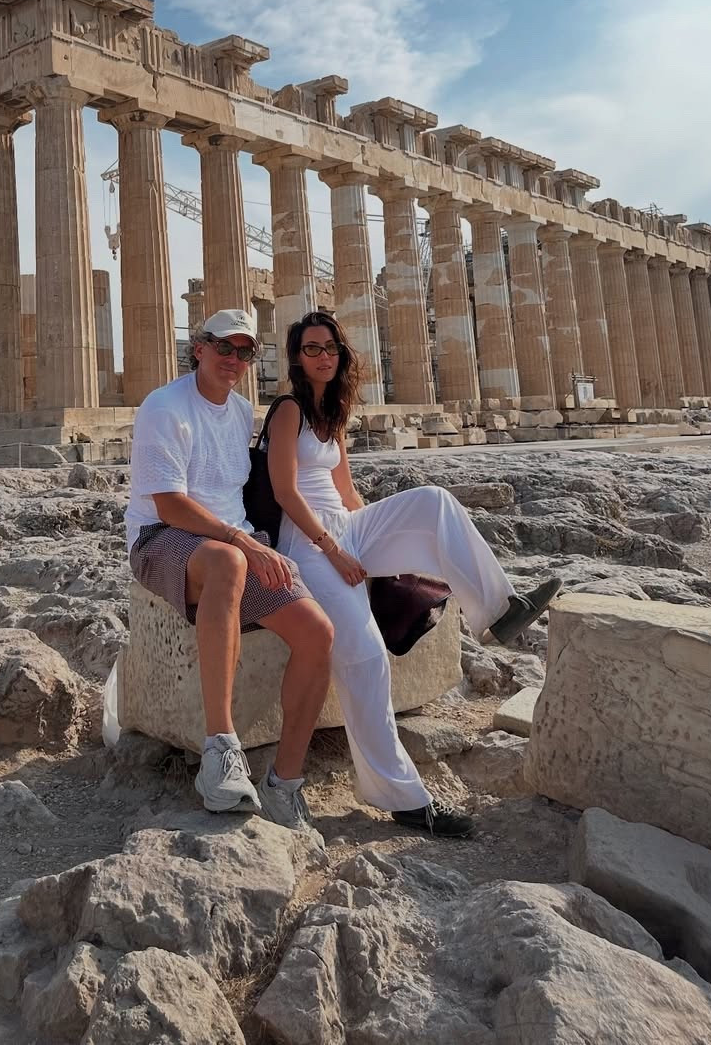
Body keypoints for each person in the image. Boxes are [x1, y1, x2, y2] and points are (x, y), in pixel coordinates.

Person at [267, 309, 562, 838]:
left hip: (345, 525)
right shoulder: (287, 410)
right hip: (308, 542)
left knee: (433, 502)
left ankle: (499, 611)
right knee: (365, 655)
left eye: (330, 346)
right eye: (311, 348)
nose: (324, 355)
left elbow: (347, 491)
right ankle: (402, 798)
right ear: (296, 357)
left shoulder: (331, 413)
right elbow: (287, 492)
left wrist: (380, 548)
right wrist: (336, 551)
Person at [126, 308, 334, 832]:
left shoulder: (243, 411)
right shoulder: (164, 406)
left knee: (317, 632)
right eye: (225, 348)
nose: (235, 360)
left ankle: (284, 783)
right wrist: (244, 542)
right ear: (199, 348)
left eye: (246, 352)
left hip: (235, 543)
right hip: (161, 539)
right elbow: (170, 505)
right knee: (228, 560)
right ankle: (220, 749)